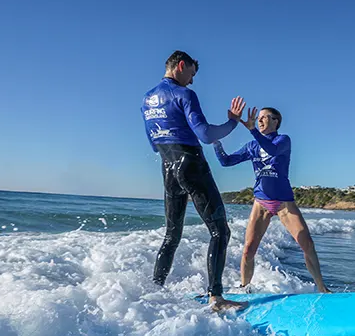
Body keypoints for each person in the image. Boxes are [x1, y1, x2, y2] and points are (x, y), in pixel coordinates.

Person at [141, 50, 247, 312]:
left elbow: (154, 145)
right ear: (180, 66)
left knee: (171, 236)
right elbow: (206, 134)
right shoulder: (184, 94)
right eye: (191, 73)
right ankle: (216, 297)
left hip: (168, 166)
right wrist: (232, 123)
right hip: (191, 163)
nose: (192, 80)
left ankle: (155, 292)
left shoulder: (146, 99)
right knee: (220, 231)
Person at [213, 106, 331, 293]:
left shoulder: (283, 140)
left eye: (264, 117)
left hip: (284, 203)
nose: (259, 121)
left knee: (307, 244)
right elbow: (226, 162)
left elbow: (273, 150)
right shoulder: (251, 146)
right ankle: (245, 288)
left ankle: (322, 288)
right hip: (261, 202)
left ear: (276, 121)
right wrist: (216, 143)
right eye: (258, 118)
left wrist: (251, 129)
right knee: (248, 250)